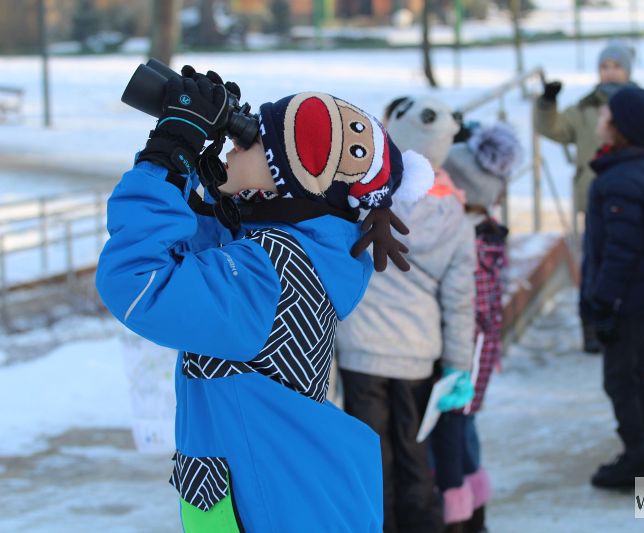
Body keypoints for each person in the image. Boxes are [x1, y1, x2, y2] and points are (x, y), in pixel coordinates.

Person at [96, 67, 429, 532]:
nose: (236, 142)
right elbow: (192, 251)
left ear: (293, 175)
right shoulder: (289, 255)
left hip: (268, 509)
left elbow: (138, 279)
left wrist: (167, 158)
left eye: (252, 138)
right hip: (272, 499)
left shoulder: (272, 271)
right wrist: (190, 162)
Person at [336, 95, 476, 533]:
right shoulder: (455, 214)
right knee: (416, 458)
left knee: (372, 461)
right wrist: (457, 367)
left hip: (362, 352)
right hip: (419, 357)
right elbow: (459, 300)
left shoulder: (366, 199)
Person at [535, 41, 644, 355]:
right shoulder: (587, 107)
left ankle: (627, 326)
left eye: (616, 66)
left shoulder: (643, 110)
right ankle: (591, 327)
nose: (610, 72)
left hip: (635, 202)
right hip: (594, 200)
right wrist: (547, 103)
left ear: (628, 70)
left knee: (624, 260)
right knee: (592, 265)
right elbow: (555, 129)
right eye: (604, 66)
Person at [431, 121, 522, 533]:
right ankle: (473, 511)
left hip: (464, 360)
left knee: (455, 439)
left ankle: (464, 517)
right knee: (463, 434)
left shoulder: (471, 241)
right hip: (472, 359)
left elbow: (469, 309)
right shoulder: (485, 234)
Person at [584, 86, 644, 488]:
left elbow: (621, 252)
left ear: (621, 128)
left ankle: (638, 457)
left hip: (629, 302)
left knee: (621, 378)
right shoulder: (633, 168)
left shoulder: (621, 179)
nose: (601, 116)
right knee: (633, 373)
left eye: (608, 113)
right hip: (641, 299)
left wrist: (604, 304)